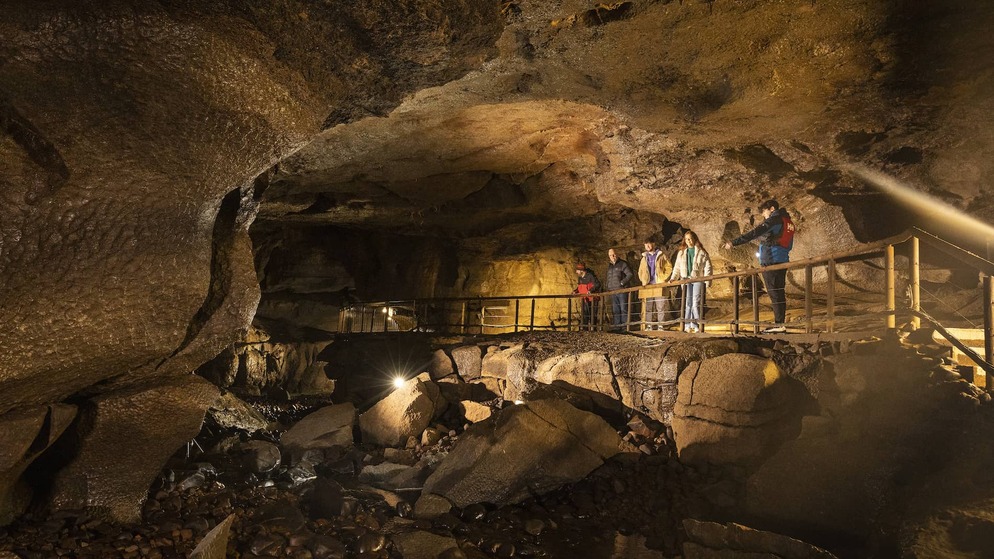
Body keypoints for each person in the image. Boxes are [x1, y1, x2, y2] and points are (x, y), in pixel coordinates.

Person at [724, 199, 795, 332]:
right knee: (779, 292)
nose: (764, 215)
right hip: (782, 259)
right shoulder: (788, 222)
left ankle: (779, 325)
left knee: (774, 293)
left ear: (772, 209)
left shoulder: (774, 220)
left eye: (764, 212)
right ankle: (779, 323)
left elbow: (754, 233)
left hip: (771, 261)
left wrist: (734, 243)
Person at [671, 230, 713, 333]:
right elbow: (677, 267)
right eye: (686, 239)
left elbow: (708, 267)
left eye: (690, 239)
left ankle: (697, 324)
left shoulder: (702, 252)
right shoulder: (681, 253)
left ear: (694, 239)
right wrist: (673, 278)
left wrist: (707, 280)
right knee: (688, 303)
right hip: (685, 280)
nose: (689, 241)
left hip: (697, 279)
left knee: (695, 303)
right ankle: (687, 324)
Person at [638, 241, 672, 330]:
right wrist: (643, 280)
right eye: (645, 244)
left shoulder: (661, 255)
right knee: (648, 307)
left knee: (660, 306)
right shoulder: (644, 258)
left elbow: (669, 267)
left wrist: (663, 278)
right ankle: (649, 325)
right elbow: (640, 271)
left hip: (658, 284)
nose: (647, 246)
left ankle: (660, 325)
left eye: (649, 243)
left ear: (654, 244)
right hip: (648, 285)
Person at [605, 248, 635, 330]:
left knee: (623, 309)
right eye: (610, 255)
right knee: (615, 310)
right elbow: (608, 278)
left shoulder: (623, 264)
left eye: (614, 254)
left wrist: (622, 283)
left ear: (617, 254)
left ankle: (625, 327)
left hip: (622, 290)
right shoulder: (610, 266)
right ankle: (617, 327)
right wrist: (608, 286)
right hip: (613, 291)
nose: (612, 256)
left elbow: (630, 274)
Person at [573, 262, 602, 329]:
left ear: (581, 270)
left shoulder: (590, 276)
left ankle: (593, 329)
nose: (576, 271)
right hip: (584, 298)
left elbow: (597, 284)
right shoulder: (580, 278)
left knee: (592, 314)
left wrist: (591, 290)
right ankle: (585, 329)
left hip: (592, 299)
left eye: (577, 270)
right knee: (584, 314)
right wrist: (575, 291)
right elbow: (579, 287)